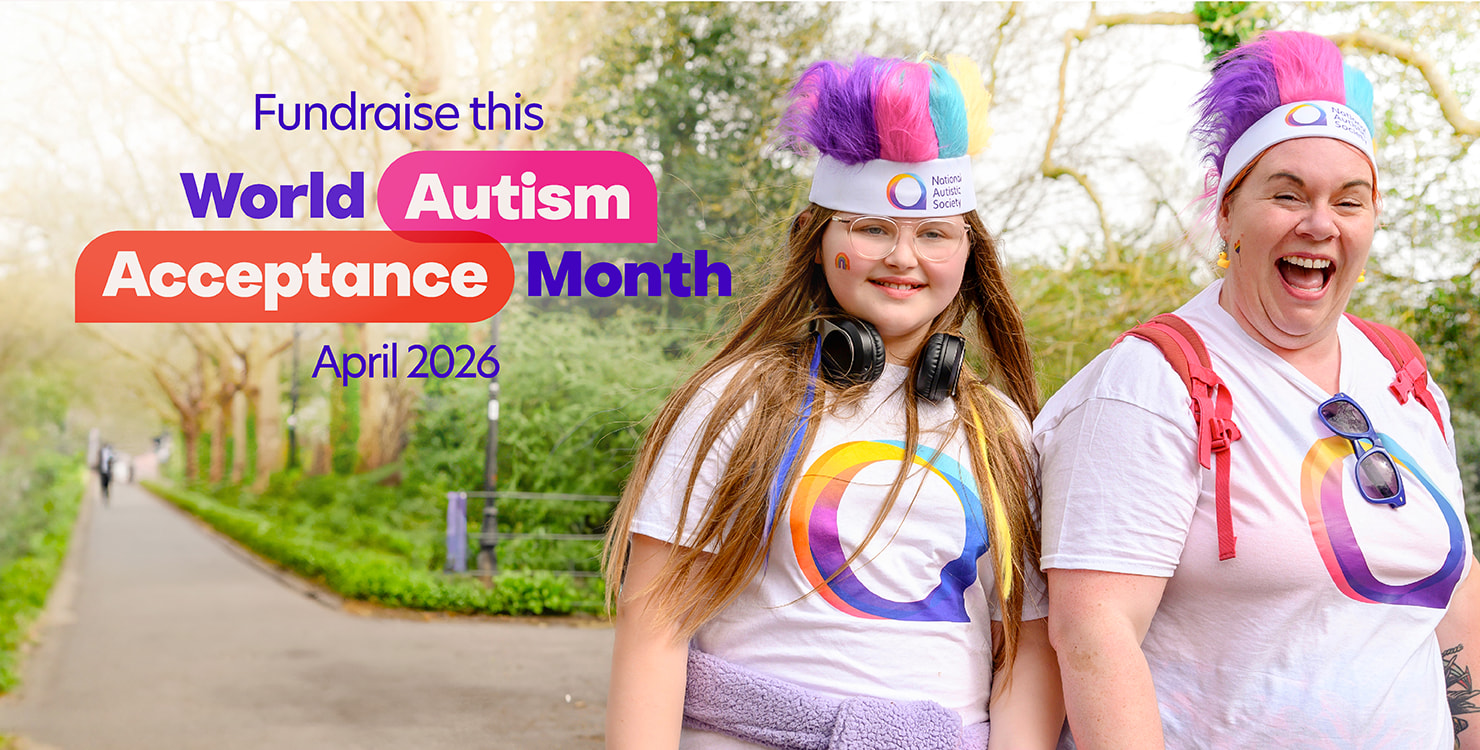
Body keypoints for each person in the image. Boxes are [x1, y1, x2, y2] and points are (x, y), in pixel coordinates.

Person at [603, 54, 1064, 750]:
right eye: (871, 228)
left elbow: (1027, 650)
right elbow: (654, 624)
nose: (902, 257)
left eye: (933, 233)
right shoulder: (737, 401)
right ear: (819, 243)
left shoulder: (1001, 430)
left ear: (969, 255)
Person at [1034, 30, 1480, 748]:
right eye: (1287, 193)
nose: (1318, 224)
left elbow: (1454, 603)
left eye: (1349, 200)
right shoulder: (1147, 384)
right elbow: (1094, 634)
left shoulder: (1405, 379)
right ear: (1227, 213)